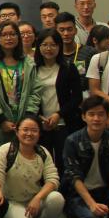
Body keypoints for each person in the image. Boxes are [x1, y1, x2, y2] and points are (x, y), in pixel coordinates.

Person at [0, 114, 64, 218]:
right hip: (12, 201)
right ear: (17, 131)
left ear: (39, 133)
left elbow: (53, 179)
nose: (29, 134)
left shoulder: (43, 152)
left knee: (56, 198)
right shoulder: (6, 150)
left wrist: (38, 198)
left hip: (35, 200)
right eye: (25, 130)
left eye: (34, 130)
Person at [0, 21, 42, 157]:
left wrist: (27, 117)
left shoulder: (28, 63)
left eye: (12, 34)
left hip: (24, 122)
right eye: (4, 35)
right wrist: (1, 119)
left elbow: (35, 91)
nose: (8, 38)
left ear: (18, 37)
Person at [34, 27, 83, 165]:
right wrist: (39, 117)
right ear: (38, 47)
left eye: (53, 45)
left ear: (59, 46)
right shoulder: (33, 68)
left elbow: (77, 97)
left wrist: (58, 114)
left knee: (64, 162)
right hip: (41, 124)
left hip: (64, 123)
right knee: (43, 162)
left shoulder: (69, 68)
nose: (48, 48)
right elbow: (28, 96)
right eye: (44, 45)